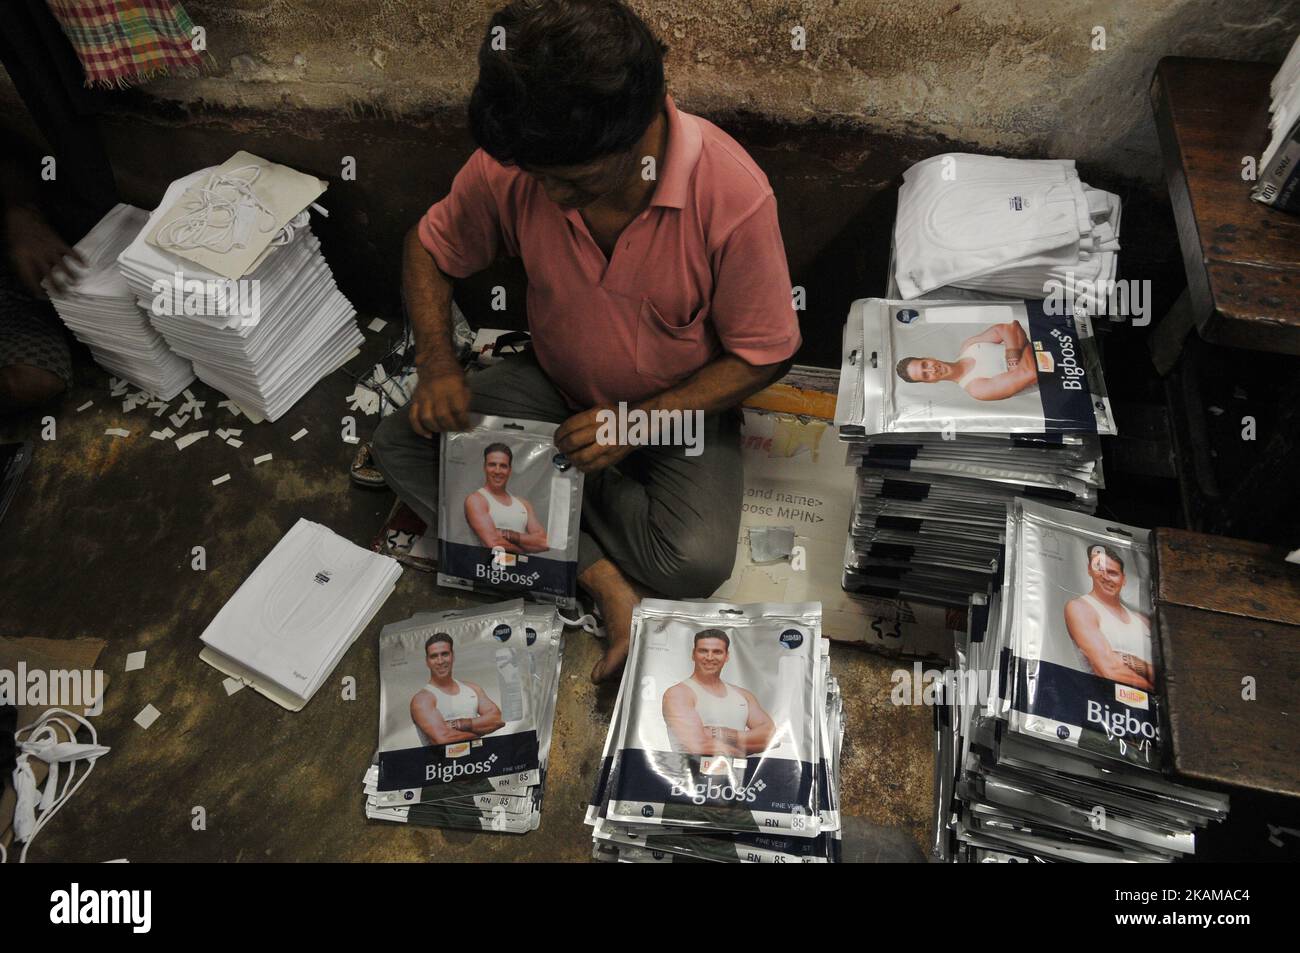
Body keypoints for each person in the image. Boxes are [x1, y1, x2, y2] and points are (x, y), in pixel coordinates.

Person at [371, 0, 801, 682]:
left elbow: (765, 351)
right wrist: (436, 362)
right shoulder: (517, 167)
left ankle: (558, 494)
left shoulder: (731, 192)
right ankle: (599, 577)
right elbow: (429, 246)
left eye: (574, 181)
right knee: (400, 443)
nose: (550, 195)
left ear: (643, 129)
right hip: (554, 382)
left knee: (691, 561)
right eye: (539, 177)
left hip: (675, 409)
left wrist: (635, 424)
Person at [661, 629, 774, 757]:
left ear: (726, 656)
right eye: (703, 651)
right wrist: (751, 743)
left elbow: (770, 736)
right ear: (693, 654)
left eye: (717, 652)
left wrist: (720, 733)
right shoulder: (679, 694)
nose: (709, 657)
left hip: (737, 775)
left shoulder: (743, 696)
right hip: (692, 775)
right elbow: (699, 746)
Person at [1063, 544, 1154, 690]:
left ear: (1123, 579)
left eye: (1112, 573)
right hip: (1103, 707)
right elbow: (1110, 671)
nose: (1105, 577)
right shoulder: (1081, 608)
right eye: (1100, 569)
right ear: (1089, 569)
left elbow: (1168, 674)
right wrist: (1155, 683)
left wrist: (1135, 663)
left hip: (1147, 710)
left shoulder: (1142, 621)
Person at [894, 321, 1036, 401]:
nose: (932, 370)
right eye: (926, 374)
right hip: (1055, 374)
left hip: (1052, 343)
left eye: (925, 365)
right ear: (930, 382)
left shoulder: (968, 346)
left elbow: (1008, 326)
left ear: (929, 358)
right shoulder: (976, 388)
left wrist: (1013, 363)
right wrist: (1021, 344)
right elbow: (1031, 373)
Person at [410, 633, 505, 745]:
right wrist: (480, 734)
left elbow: (498, 719)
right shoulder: (422, 699)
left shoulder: (472, 689)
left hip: (479, 761)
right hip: (444, 762)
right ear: (427, 661)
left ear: (453, 656)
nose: (440, 661)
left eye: (444, 654)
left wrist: (457, 724)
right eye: (434, 656)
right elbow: (443, 738)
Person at [464, 442, 550, 553]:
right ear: (485, 467)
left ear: (509, 470)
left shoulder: (523, 504)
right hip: (485, 569)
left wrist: (511, 535)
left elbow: (545, 543)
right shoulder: (476, 500)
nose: (497, 471)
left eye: (503, 466)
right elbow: (495, 544)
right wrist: (529, 546)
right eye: (492, 465)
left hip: (521, 570)